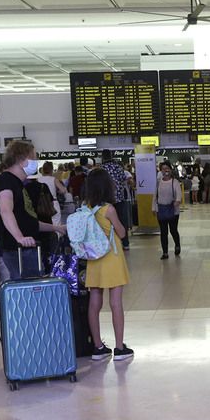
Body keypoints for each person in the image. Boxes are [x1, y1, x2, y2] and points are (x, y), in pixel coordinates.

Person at [80, 168, 132, 362]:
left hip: (94, 259)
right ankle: (119, 348)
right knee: (115, 302)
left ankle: (98, 347)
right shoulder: (109, 209)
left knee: (94, 303)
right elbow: (121, 233)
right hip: (112, 258)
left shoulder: (86, 208)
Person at [0, 140, 65, 279]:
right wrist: (20, 238)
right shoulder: (5, 182)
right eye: (33, 158)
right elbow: (5, 210)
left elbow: (28, 221)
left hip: (28, 249)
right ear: (21, 161)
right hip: (18, 251)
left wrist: (57, 228)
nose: (36, 162)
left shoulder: (18, 184)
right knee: (27, 293)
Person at [100, 149, 131, 251]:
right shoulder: (117, 167)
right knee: (122, 221)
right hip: (119, 198)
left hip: (106, 200)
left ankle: (111, 243)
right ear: (111, 156)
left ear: (102, 157)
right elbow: (123, 179)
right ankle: (125, 242)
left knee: (107, 222)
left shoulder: (101, 169)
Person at [155, 161, 183, 259]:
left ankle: (177, 245)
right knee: (163, 232)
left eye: (167, 168)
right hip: (161, 210)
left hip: (173, 210)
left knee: (173, 230)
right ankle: (165, 252)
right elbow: (155, 196)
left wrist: (177, 202)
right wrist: (154, 208)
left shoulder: (174, 182)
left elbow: (179, 194)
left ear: (170, 170)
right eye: (163, 169)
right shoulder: (159, 182)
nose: (165, 171)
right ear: (161, 171)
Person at [37, 161, 67, 225]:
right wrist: (58, 191)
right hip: (53, 202)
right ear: (51, 170)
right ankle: (57, 235)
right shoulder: (54, 179)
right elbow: (63, 190)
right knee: (56, 223)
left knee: (44, 223)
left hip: (42, 204)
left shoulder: (38, 180)